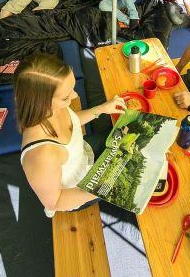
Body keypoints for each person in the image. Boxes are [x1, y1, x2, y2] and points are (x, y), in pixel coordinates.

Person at [15, 53, 125, 217]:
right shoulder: (42, 155)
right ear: (42, 100)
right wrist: (104, 186)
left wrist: (101, 109)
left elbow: (72, 122)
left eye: (72, 88)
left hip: (82, 154)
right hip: (78, 189)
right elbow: (55, 202)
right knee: (131, 172)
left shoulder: (51, 107)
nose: (74, 96)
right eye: (66, 97)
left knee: (129, 136)